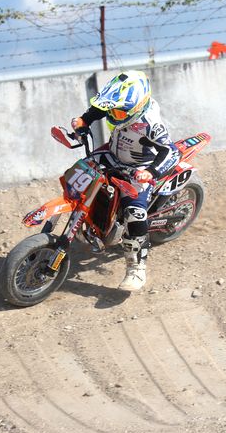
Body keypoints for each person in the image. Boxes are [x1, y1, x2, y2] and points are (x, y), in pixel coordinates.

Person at [71, 70, 179, 291]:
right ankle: (88, 219)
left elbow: (171, 152)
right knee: (80, 172)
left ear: (137, 107)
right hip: (114, 155)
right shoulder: (121, 107)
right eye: (113, 110)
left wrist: (151, 172)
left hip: (138, 168)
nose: (114, 115)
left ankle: (137, 268)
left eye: (119, 112)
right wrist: (84, 120)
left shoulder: (150, 124)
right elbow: (100, 109)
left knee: (134, 213)